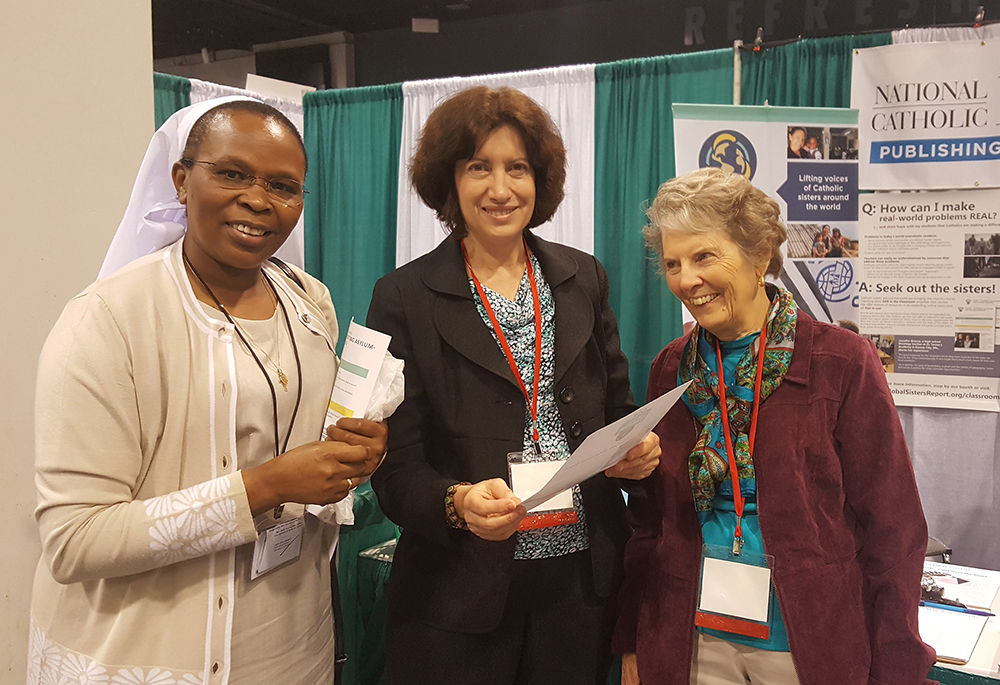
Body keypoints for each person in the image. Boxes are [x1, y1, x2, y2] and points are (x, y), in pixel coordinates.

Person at [28, 97, 387, 684]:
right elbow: (74, 542)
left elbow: (306, 446)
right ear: (180, 180)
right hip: (152, 657)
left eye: (283, 185)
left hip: (294, 652)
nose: (257, 198)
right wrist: (264, 487)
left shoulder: (310, 303)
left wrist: (353, 451)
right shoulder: (109, 321)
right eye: (231, 173)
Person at [366, 86, 660, 684]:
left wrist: (636, 452)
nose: (500, 190)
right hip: (457, 594)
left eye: (517, 168)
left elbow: (619, 412)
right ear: (449, 180)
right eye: (479, 167)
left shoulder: (585, 278)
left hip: (577, 589)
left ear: (539, 179)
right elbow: (395, 470)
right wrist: (456, 502)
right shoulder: (403, 296)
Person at [615, 168, 934, 684]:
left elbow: (894, 529)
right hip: (689, 639)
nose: (686, 280)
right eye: (672, 263)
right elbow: (650, 523)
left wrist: (899, 667)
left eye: (703, 256)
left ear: (760, 253)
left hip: (808, 644)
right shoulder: (671, 368)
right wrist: (633, 637)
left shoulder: (840, 362)